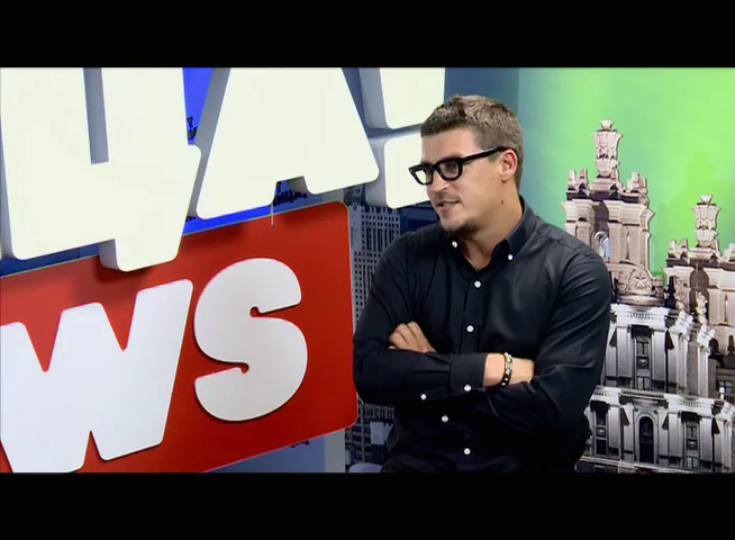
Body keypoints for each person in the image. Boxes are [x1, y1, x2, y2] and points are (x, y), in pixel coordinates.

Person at [352, 95, 612, 473]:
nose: (435, 186)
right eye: (428, 171)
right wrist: (496, 369)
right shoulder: (406, 258)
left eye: (452, 167)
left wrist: (429, 370)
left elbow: (551, 410)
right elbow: (370, 375)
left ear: (506, 164)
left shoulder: (575, 271)